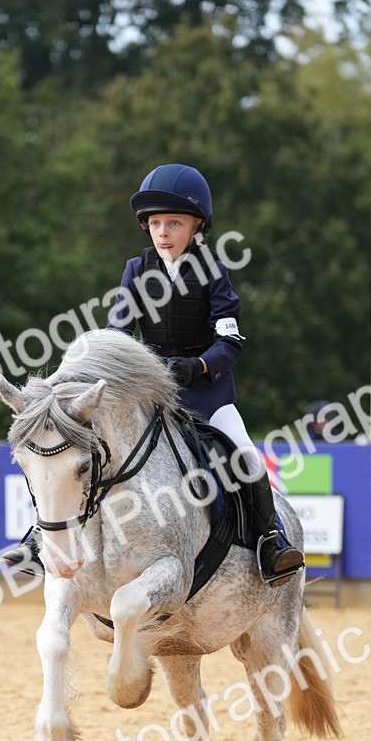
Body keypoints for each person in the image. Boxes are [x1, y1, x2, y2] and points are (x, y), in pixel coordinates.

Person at [105, 163, 303, 585]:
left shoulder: (212, 271)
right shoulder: (136, 271)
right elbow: (117, 334)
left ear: (197, 226)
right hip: (150, 393)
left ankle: (272, 539)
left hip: (206, 393)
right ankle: (43, 537)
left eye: (173, 222)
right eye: (155, 223)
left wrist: (198, 365)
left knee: (245, 452)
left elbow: (229, 341)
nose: (162, 232)